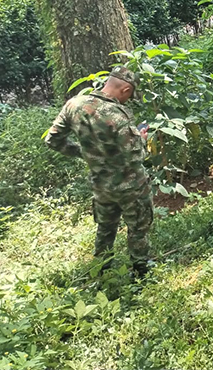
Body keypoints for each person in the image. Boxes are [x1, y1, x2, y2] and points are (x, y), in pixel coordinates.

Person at [44, 67, 154, 278]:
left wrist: (85, 153)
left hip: (101, 184)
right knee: (138, 228)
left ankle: (102, 272)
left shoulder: (74, 105)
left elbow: (52, 140)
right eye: (130, 95)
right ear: (125, 89)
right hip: (130, 185)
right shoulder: (116, 114)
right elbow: (135, 157)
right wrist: (141, 139)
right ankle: (141, 273)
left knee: (105, 227)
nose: (128, 100)